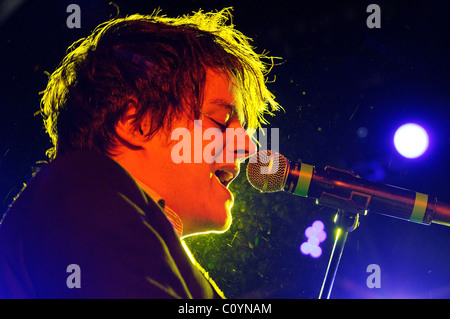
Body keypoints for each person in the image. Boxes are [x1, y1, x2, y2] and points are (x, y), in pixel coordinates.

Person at [0, 8, 280, 298]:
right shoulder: (78, 187)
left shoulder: (148, 243)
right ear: (135, 123)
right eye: (221, 121)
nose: (249, 146)